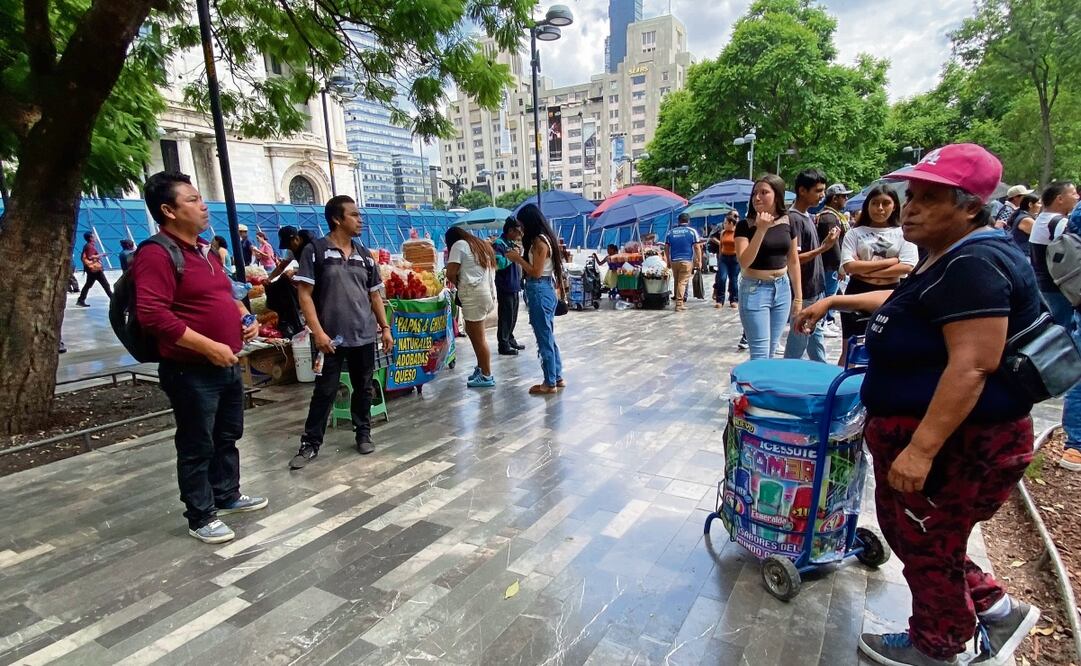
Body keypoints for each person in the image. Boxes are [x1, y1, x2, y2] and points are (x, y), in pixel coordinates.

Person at [796, 144, 1042, 666]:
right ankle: (997, 612)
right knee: (928, 539)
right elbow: (909, 305)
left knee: (927, 542)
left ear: (970, 206)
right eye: (912, 195)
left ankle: (937, 644)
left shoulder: (976, 261)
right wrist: (836, 300)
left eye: (930, 198)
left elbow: (972, 364)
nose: (911, 207)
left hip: (957, 444)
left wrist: (922, 449)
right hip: (929, 435)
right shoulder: (949, 258)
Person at [134, 171, 267, 544]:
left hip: (225, 364)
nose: (202, 204)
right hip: (190, 369)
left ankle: (226, 495)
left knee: (228, 434)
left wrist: (245, 318)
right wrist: (207, 345)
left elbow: (227, 294)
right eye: (191, 199)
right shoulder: (157, 254)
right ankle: (200, 514)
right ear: (168, 210)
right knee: (197, 442)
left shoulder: (204, 250)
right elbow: (153, 314)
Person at [290, 196, 394, 469]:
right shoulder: (316, 252)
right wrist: (318, 333)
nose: (360, 220)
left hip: (363, 335)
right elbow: (305, 296)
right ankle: (310, 444)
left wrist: (384, 328)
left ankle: (363, 433)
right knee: (324, 391)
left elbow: (374, 296)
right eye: (354, 215)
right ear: (337, 219)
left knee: (364, 387)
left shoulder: (364, 256)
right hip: (330, 341)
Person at [838, 186, 919, 363]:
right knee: (850, 348)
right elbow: (849, 266)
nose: (880, 208)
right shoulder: (854, 233)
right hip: (858, 290)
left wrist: (864, 268)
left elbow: (907, 266)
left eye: (885, 203)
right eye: (875, 203)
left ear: (895, 206)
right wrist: (891, 261)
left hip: (891, 292)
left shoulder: (903, 233)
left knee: (887, 345)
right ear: (867, 206)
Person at [734, 174, 802, 360]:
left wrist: (798, 298)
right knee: (760, 353)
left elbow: (793, 260)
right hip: (755, 289)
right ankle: (751, 388)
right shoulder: (744, 225)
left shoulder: (789, 221)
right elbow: (744, 261)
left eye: (764, 192)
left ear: (777, 196)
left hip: (782, 288)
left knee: (772, 350)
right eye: (755, 193)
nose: (757, 197)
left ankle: (764, 389)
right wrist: (761, 230)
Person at [506, 204, 566, 395]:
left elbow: (536, 272)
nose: (521, 229)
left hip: (539, 289)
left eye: (522, 225)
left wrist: (517, 258)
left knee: (544, 338)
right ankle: (556, 376)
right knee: (548, 335)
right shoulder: (543, 240)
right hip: (544, 290)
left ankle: (549, 383)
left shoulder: (540, 243)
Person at [783, 169, 837, 363]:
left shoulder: (807, 216)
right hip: (804, 291)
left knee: (816, 338)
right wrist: (823, 248)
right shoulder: (794, 218)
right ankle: (785, 378)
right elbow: (794, 259)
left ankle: (822, 372)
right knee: (798, 341)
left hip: (816, 288)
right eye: (818, 190)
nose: (822, 195)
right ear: (802, 191)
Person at [445, 225, 498, 387]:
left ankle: (487, 375)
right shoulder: (479, 245)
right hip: (484, 293)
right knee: (474, 333)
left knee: (478, 338)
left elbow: (450, 272)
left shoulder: (458, 245)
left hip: (473, 295)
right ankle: (481, 368)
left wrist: (457, 283)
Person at [1028, 180, 1080, 328]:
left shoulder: (1041, 219)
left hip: (1044, 284)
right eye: (1073, 193)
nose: (1077, 197)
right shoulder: (1059, 223)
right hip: (1059, 288)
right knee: (1065, 327)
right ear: (1060, 199)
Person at [818, 183, 852, 334]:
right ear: (834, 199)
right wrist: (841, 266)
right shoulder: (829, 218)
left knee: (833, 292)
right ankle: (823, 322)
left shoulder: (833, 216)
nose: (846, 199)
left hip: (831, 264)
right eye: (844, 196)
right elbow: (833, 244)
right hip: (830, 264)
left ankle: (828, 320)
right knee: (829, 294)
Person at [493, 217, 526, 356]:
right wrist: (513, 257)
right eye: (517, 231)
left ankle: (510, 338)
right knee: (505, 316)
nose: (519, 235)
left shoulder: (511, 244)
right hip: (505, 285)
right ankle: (503, 344)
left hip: (514, 284)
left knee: (513, 315)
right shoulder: (499, 244)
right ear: (510, 230)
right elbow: (498, 264)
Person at [665, 212, 702, 312]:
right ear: (688, 221)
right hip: (686, 261)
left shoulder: (671, 232)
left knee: (677, 281)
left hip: (674, 261)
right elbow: (697, 247)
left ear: (679, 221)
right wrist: (699, 260)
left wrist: (667, 260)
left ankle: (677, 299)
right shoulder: (692, 231)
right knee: (682, 282)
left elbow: (666, 247)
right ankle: (679, 303)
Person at [710, 211, 740, 309]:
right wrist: (720, 257)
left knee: (733, 280)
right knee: (722, 278)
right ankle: (720, 300)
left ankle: (734, 299)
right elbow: (721, 246)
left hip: (735, 258)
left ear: (731, 223)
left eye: (725, 223)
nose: (724, 224)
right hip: (724, 258)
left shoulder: (738, 233)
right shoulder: (723, 233)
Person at [76, 231, 114, 306]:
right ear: (90, 238)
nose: (95, 238)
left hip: (91, 270)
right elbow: (90, 257)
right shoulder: (90, 246)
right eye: (94, 236)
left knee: (88, 285)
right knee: (106, 285)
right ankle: (114, 300)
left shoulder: (87, 245)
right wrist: (101, 255)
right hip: (95, 270)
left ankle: (81, 300)